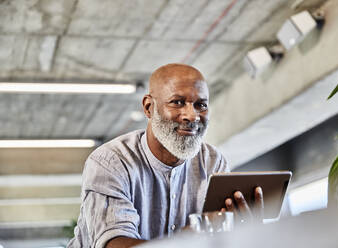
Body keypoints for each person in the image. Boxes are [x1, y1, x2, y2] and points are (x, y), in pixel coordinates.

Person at [67, 64, 263, 248]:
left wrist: (243, 230)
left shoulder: (213, 162)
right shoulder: (111, 162)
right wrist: (185, 239)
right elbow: (114, 244)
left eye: (201, 105)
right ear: (148, 107)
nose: (192, 116)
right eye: (177, 102)